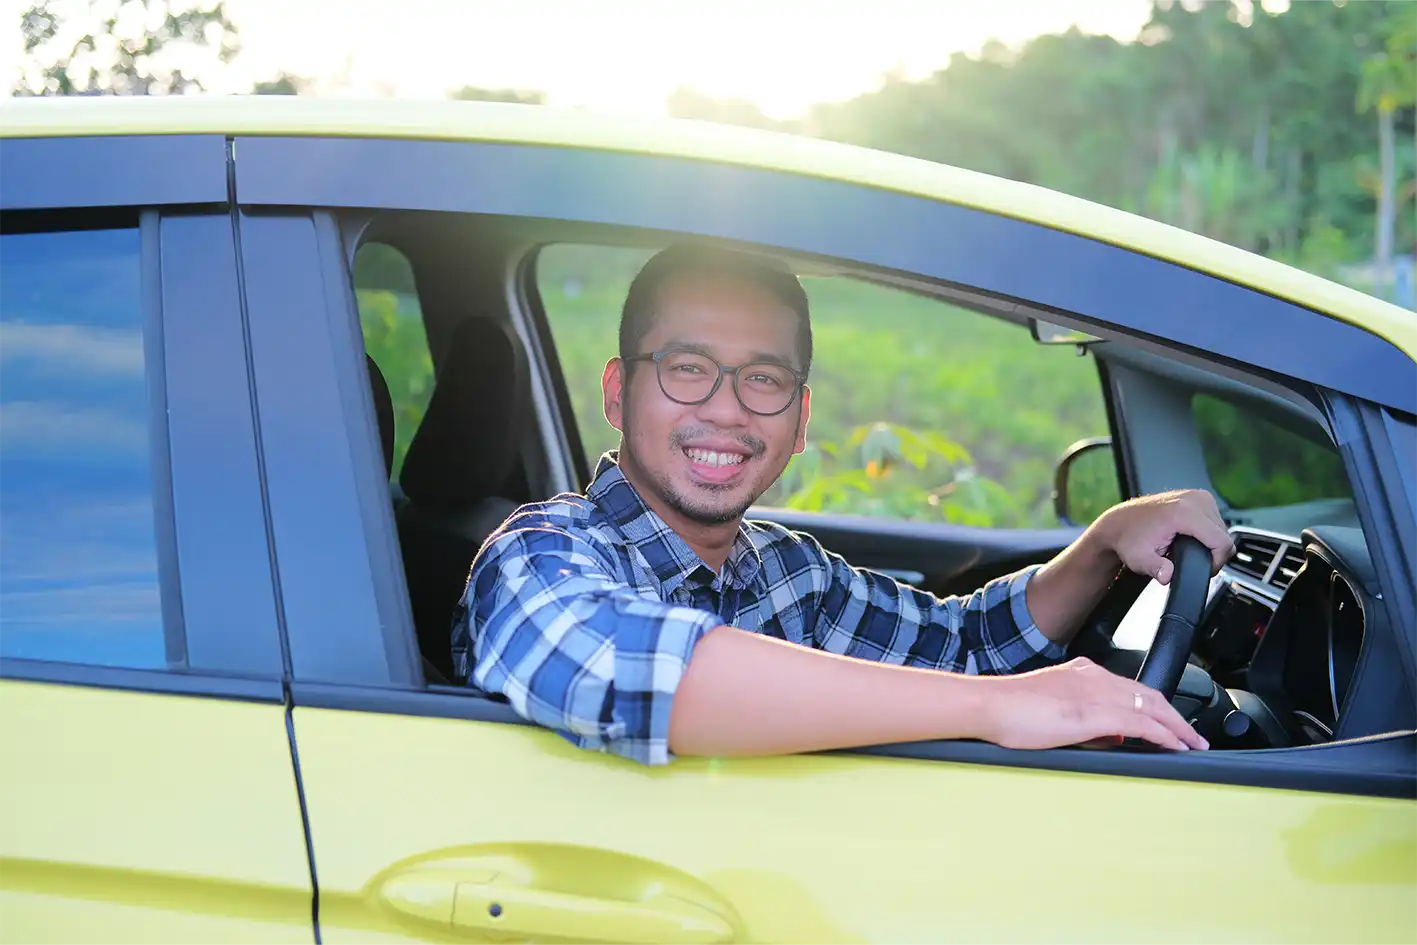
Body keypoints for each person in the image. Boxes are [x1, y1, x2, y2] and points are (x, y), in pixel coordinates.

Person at [450, 244, 1232, 765]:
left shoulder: (784, 571)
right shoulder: (536, 552)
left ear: (798, 419)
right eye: (687, 367)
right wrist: (1000, 708)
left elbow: (965, 642)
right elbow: (638, 672)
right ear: (620, 393)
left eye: (762, 379)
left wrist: (1101, 540)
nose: (725, 409)